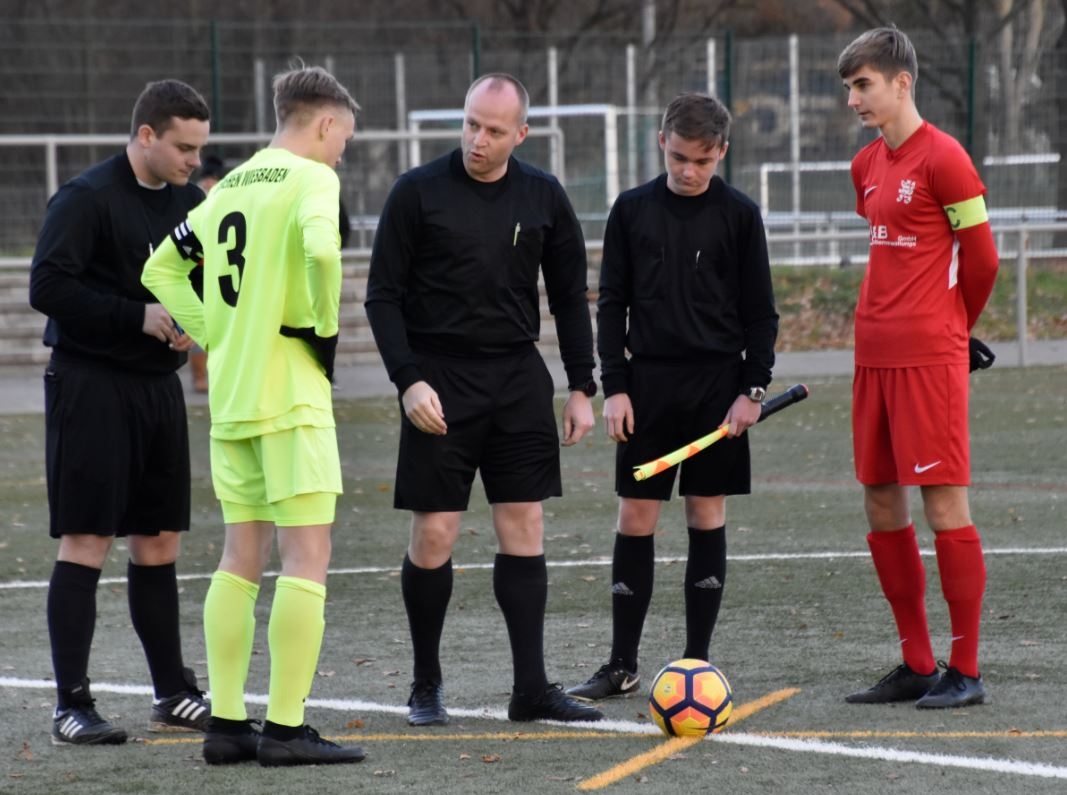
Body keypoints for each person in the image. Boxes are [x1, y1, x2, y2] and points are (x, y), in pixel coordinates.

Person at [142, 65, 365, 765]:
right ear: (324, 123)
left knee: (240, 556)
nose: (342, 153)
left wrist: (214, 332)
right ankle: (288, 731)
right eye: (344, 139)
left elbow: (159, 268)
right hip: (291, 397)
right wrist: (322, 326)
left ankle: (228, 724)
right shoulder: (312, 178)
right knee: (307, 556)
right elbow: (322, 248)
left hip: (232, 401)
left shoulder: (229, 186)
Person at [365, 72, 604, 726]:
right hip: (438, 380)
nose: (478, 139)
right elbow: (382, 295)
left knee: (524, 525)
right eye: (471, 124)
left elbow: (569, 298)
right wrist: (408, 379)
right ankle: (425, 684)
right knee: (435, 532)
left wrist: (581, 386)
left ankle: (531, 689)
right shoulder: (416, 192)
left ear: (520, 134)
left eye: (494, 130)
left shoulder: (543, 195)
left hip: (517, 379)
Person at [565, 93, 778, 702]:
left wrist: (752, 389)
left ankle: (696, 665)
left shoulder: (740, 215)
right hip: (648, 388)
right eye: (680, 157)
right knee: (635, 516)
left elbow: (761, 313)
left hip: (718, 389)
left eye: (703, 161)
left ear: (722, 153)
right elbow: (612, 305)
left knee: (706, 513)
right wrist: (615, 387)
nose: (689, 171)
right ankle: (621, 665)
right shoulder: (631, 210)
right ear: (661, 142)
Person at [28, 79, 212, 746]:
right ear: (146, 135)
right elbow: (46, 286)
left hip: (156, 389)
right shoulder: (86, 197)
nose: (194, 160)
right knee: (87, 539)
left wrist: (192, 321)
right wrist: (136, 316)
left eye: (199, 148)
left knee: (158, 540)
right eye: (184, 147)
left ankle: (172, 692)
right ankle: (70, 704)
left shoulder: (191, 204)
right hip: (90, 383)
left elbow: (199, 281)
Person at [837, 27, 999, 708]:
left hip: (929, 358)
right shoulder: (864, 165)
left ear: (901, 82)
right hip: (872, 355)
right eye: (849, 88)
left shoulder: (947, 159)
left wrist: (955, 329)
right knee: (880, 498)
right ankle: (917, 661)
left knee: (942, 503)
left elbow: (982, 259)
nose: (853, 99)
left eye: (863, 85)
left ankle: (966, 669)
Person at [187, 153, 228, 394]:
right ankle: (201, 376)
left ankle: (205, 376)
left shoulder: (203, 194)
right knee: (204, 322)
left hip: (211, 267)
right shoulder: (203, 196)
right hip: (204, 268)